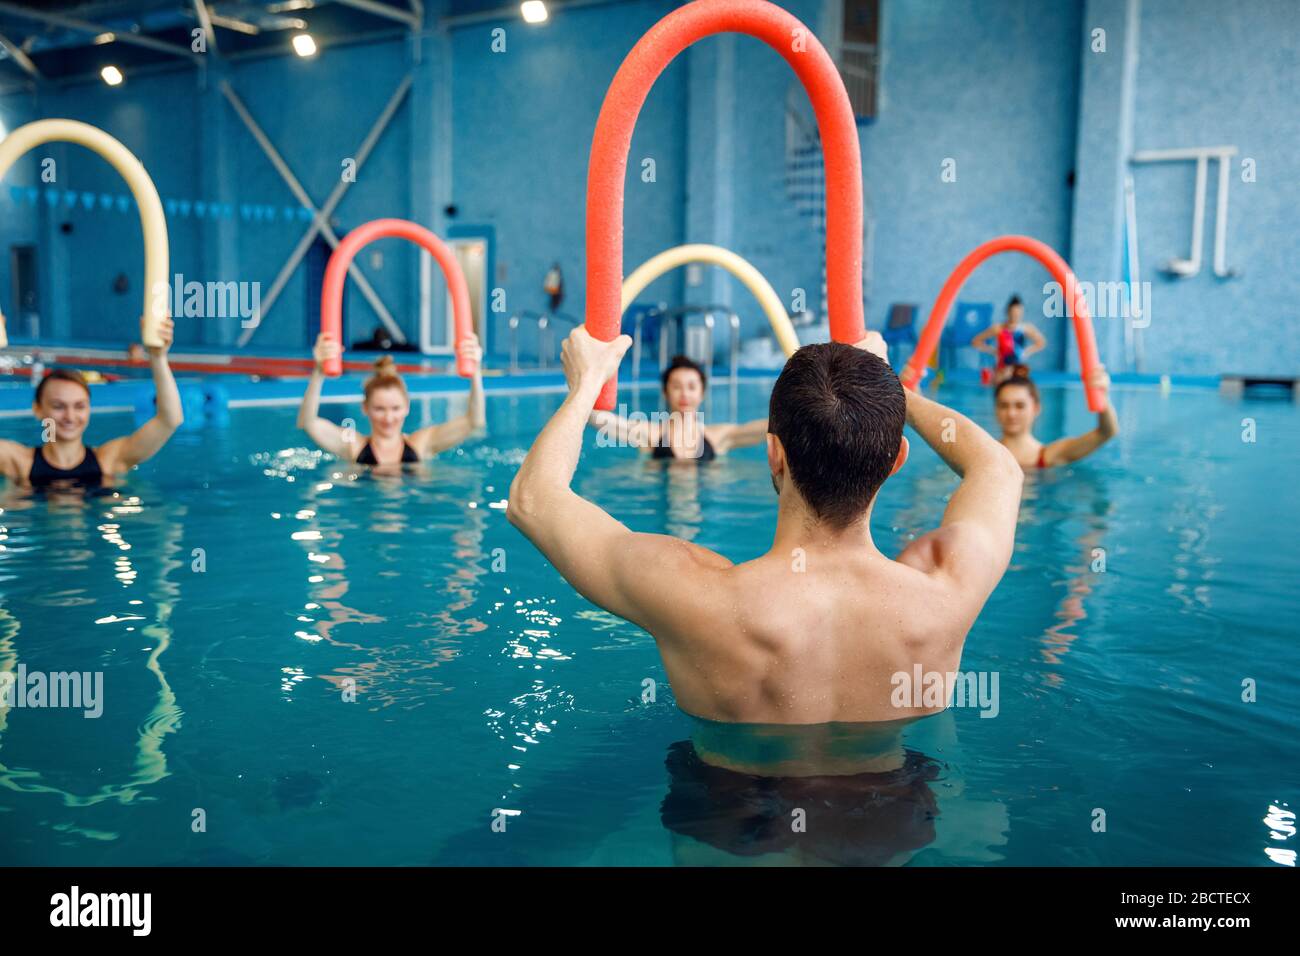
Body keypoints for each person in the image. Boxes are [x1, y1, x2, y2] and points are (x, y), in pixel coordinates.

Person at [507, 326, 1022, 765]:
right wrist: (892, 397)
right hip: (889, 830)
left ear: (773, 454)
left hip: (735, 836)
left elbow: (533, 500)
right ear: (896, 460)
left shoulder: (695, 593)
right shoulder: (946, 589)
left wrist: (585, 384)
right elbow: (997, 467)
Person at [0, 317, 182, 490]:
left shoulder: (108, 461)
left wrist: (158, 357)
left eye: (79, 406)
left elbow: (169, 420)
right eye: (58, 406)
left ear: (89, 409)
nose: (70, 417)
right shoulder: (18, 463)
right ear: (37, 409)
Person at [298, 331, 485, 466]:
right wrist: (318, 372)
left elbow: (473, 422)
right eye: (379, 409)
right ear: (365, 408)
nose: (388, 418)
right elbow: (308, 422)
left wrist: (476, 370)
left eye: (395, 408)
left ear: (407, 407)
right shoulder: (352, 446)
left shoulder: (422, 443)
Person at [587, 354, 767, 460]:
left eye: (691, 387)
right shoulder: (650, 434)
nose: (684, 394)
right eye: (676, 387)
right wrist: (583, 388)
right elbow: (603, 421)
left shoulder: (717, 437)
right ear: (665, 392)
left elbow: (764, 429)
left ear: (702, 393)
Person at [993, 365, 1119, 469]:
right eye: (1004, 405)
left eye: (1020, 406)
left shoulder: (1050, 455)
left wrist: (1103, 397)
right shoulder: (984, 452)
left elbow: (1106, 432)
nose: (1011, 413)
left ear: (1036, 409)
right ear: (996, 409)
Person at [971, 295, 1046, 383]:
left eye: (1018, 313)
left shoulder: (1026, 328)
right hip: (1002, 368)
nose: (1016, 315)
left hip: (1019, 368)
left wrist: (1027, 352)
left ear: (1022, 312)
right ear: (1007, 312)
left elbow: (1041, 342)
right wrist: (994, 351)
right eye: (1013, 313)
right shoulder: (998, 328)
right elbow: (975, 341)